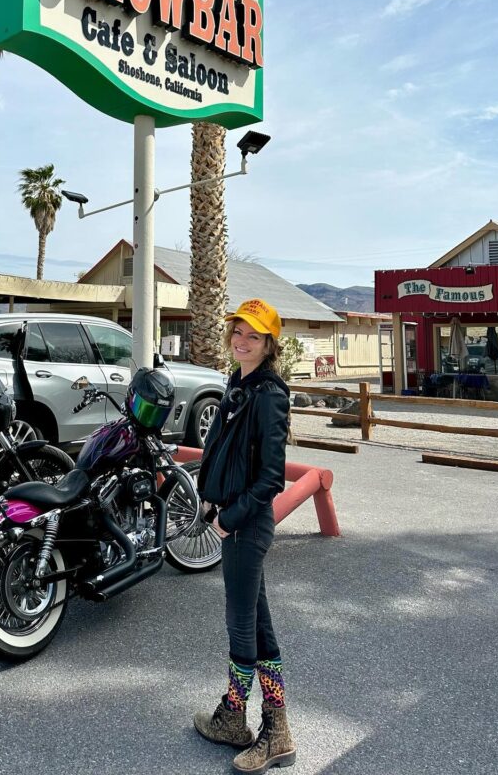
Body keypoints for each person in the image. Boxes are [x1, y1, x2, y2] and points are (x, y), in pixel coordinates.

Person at [193, 298, 295, 772]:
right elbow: (227, 452)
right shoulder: (237, 384)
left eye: (253, 335)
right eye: (237, 330)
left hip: (246, 526)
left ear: (268, 344)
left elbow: (271, 477)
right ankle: (258, 725)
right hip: (233, 516)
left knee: (242, 627)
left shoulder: (269, 394)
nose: (241, 340)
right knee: (258, 624)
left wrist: (228, 519)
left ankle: (254, 723)